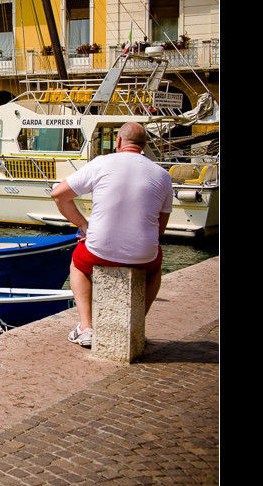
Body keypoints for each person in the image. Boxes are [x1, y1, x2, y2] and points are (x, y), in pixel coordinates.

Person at [50, 122, 173, 348]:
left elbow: (58, 195)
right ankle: (135, 324)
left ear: (118, 142)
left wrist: (84, 226)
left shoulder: (101, 163)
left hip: (99, 250)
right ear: (144, 145)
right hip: (143, 256)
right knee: (156, 267)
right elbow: (159, 230)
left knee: (77, 264)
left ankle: (86, 328)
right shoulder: (163, 176)